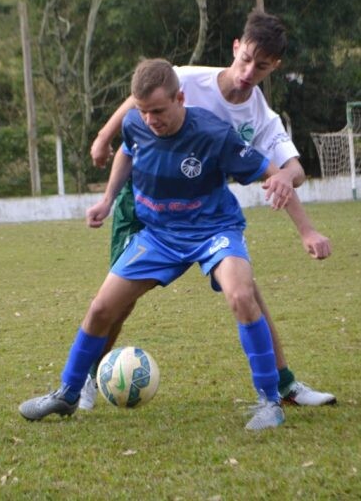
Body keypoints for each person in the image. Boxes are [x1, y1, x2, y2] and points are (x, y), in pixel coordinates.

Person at [80, 9, 336, 411]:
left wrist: (291, 187)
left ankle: (283, 385)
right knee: (119, 300)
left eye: (262, 66)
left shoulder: (260, 117)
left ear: (274, 67)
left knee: (246, 290)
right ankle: (89, 381)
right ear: (236, 47)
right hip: (146, 199)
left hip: (205, 214)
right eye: (246, 58)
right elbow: (139, 96)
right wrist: (103, 138)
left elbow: (293, 168)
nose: (249, 71)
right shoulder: (190, 79)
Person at [20, 58, 289, 431]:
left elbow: (270, 170)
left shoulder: (215, 133)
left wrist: (282, 181)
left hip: (213, 231)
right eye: (144, 111)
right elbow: (127, 151)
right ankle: (67, 393)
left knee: (242, 296)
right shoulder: (135, 122)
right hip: (159, 236)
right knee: (101, 309)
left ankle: (270, 402)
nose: (150, 120)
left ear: (180, 98)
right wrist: (107, 200)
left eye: (159, 111)